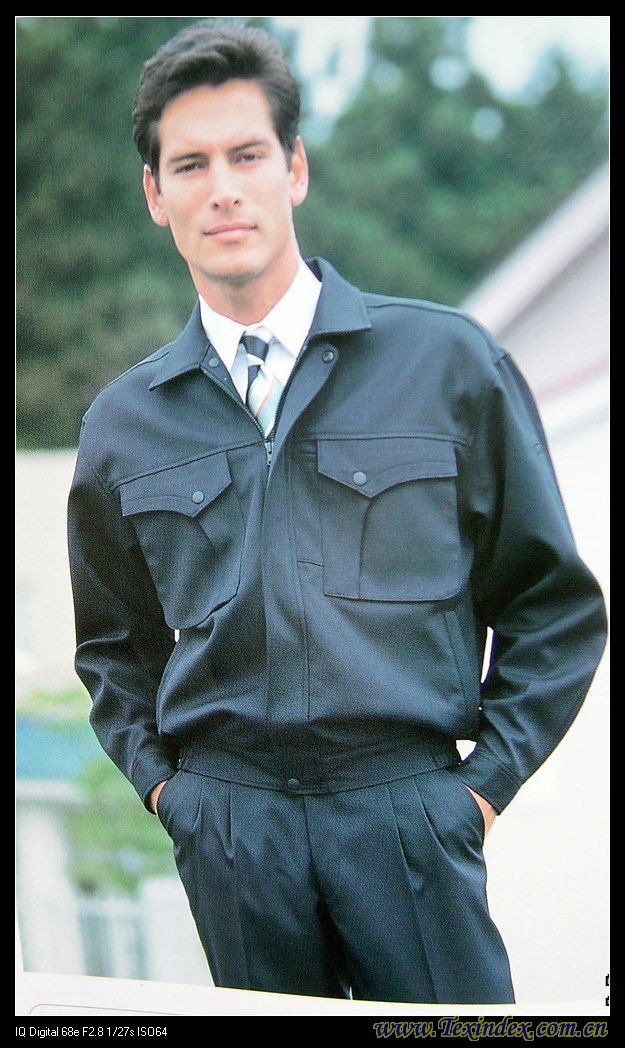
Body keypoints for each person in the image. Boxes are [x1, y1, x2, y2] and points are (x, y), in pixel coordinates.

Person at [67, 18, 607, 1004]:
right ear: (155, 195)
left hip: (406, 815)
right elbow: (112, 648)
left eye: (247, 155)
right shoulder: (123, 425)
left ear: (295, 169)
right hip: (233, 832)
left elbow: (553, 607)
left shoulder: (446, 365)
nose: (222, 188)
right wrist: (173, 795)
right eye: (190, 165)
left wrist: (477, 792)